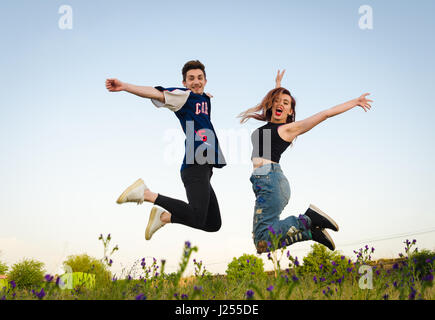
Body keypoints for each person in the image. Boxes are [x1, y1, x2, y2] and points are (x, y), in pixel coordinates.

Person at [238, 70, 372, 253]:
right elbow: (278, 102)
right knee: (262, 244)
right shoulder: (270, 125)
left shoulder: (288, 129)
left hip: (271, 182)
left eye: (286, 104)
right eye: (277, 101)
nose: (280, 105)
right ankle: (310, 233)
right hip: (263, 185)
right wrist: (278, 84)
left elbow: (325, 114)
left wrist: (355, 102)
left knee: (262, 238)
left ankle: (309, 219)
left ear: (291, 111)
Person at [105, 60, 226, 240]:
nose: (196, 82)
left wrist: (205, 96)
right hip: (195, 163)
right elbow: (157, 93)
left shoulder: (203, 98)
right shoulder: (184, 96)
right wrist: (125, 86)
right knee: (198, 216)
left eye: (200, 78)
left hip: (205, 168)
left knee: (212, 223)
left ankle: (164, 217)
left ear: (206, 81)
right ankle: (146, 194)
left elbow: (202, 102)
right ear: (184, 83)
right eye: (191, 79)